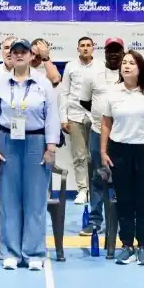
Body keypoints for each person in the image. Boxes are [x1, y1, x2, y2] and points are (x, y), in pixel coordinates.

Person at [0, 38, 60, 270]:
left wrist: (51, 147)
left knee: (35, 199)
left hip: (36, 141)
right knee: (8, 198)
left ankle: (34, 252)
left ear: (30, 56)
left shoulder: (42, 83)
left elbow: (53, 116)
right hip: (7, 141)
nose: (18, 55)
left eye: (23, 52)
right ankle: (10, 252)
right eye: (14, 52)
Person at [101, 50, 144, 266]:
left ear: (140, 68)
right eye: (124, 63)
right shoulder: (113, 93)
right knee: (125, 199)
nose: (126, 66)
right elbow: (105, 123)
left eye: (131, 63)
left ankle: (143, 246)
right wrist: (103, 151)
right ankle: (127, 244)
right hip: (119, 150)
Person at [77, 37, 125, 237]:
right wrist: (102, 118)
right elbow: (85, 101)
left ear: (123, 52)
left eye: (117, 50)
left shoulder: (130, 73)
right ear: (104, 52)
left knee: (123, 178)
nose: (113, 54)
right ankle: (96, 220)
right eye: (110, 50)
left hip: (124, 134)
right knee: (97, 177)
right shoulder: (93, 75)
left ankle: (123, 219)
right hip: (98, 132)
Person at [57, 37, 98, 206]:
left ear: (93, 48)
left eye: (88, 45)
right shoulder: (70, 66)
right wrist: (63, 118)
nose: (85, 48)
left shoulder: (101, 66)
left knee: (96, 155)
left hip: (96, 116)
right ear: (78, 48)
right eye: (82, 45)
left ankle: (96, 189)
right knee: (79, 156)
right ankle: (83, 190)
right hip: (74, 115)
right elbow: (64, 92)